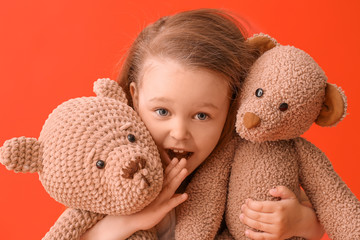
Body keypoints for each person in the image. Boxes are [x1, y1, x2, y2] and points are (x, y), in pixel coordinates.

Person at [81, 9, 324, 240]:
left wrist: (300, 221)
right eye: (162, 111)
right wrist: (132, 220)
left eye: (201, 116)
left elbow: (319, 220)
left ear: (232, 106)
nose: (179, 133)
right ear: (135, 97)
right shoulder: (110, 166)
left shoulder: (241, 162)